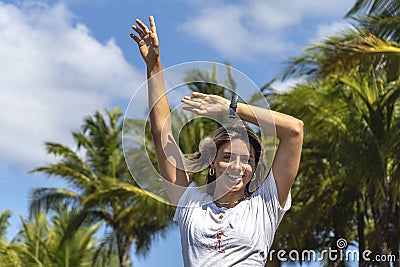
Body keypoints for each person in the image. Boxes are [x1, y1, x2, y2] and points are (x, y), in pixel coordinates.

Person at [131, 16, 303, 267]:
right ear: (211, 164)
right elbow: (162, 134)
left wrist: (231, 107)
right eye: (227, 157)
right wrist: (154, 65)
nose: (237, 166)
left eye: (247, 160)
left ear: (254, 170)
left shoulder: (264, 205)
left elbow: (294, 131)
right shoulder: (190, 204)